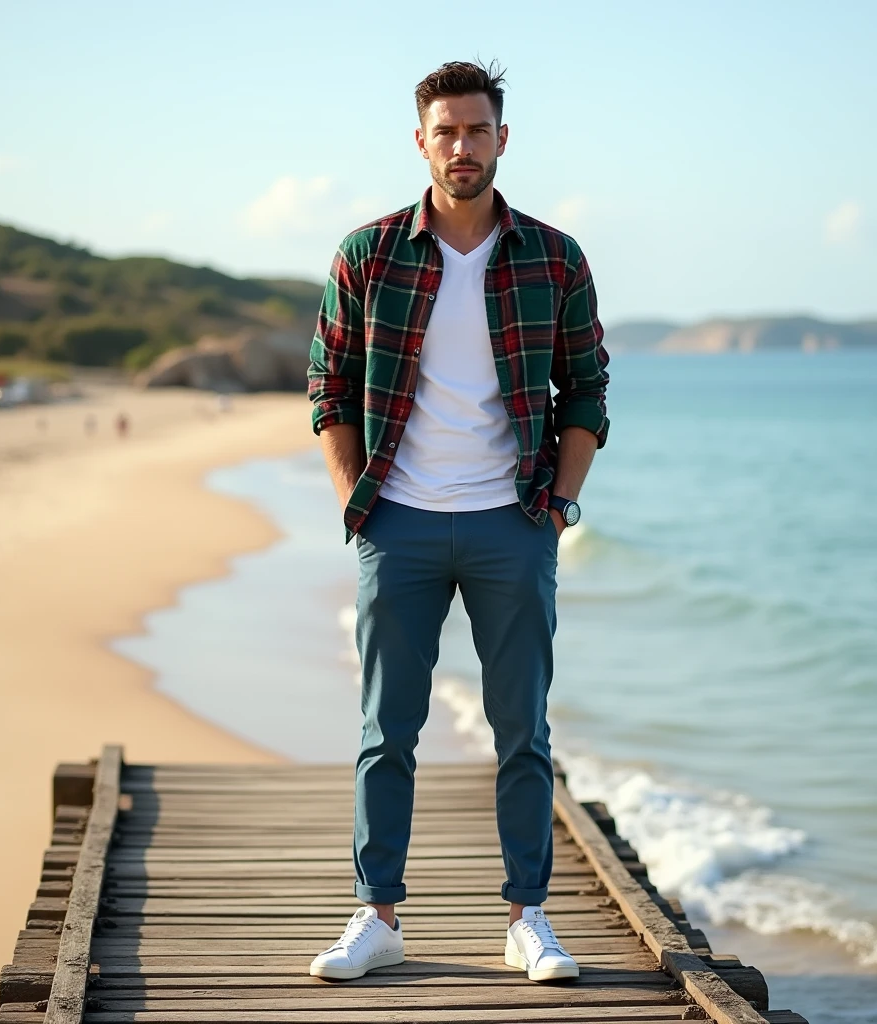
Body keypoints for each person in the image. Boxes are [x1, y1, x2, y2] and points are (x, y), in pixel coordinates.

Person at [306, 59, 610, 983]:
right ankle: (378, 915)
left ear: (502, 140)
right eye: (447, 131)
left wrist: (555, 506)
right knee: (383, 730)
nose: (463, 147)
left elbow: (587, 389)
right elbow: (329, 387)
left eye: (478, 131)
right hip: (397, 519)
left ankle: (528, 919)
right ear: (422, 141)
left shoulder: (554, 258)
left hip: (509, 522)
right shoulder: (368, 254)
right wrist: (355, 501)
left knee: (524, 731)